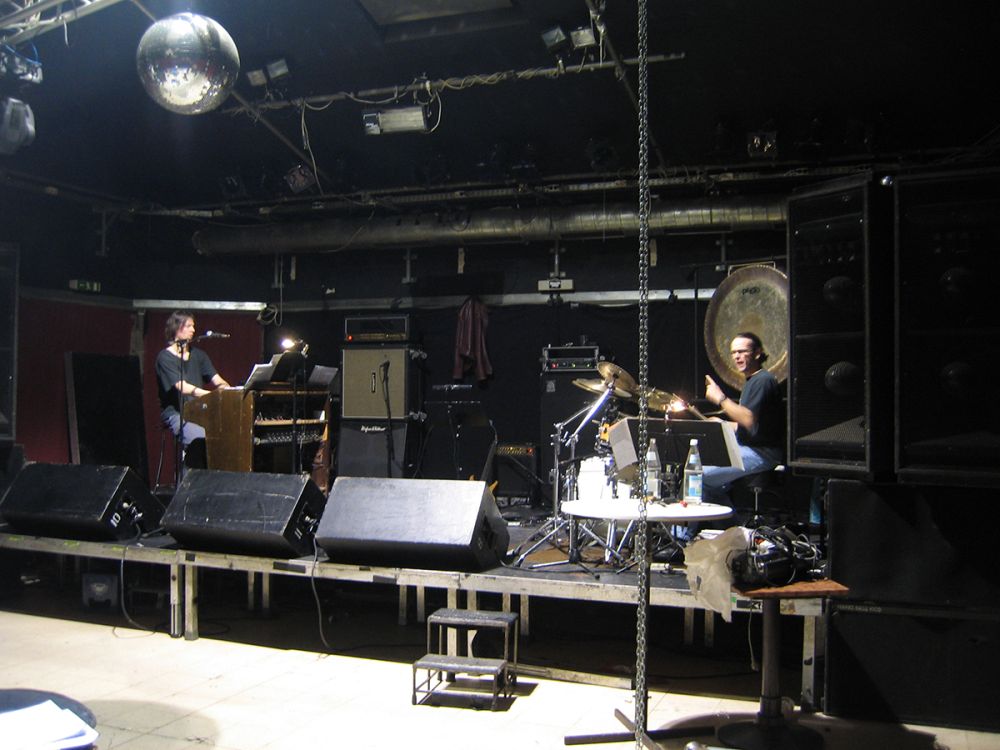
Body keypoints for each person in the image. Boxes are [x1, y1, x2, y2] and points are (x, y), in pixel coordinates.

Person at [701, 331, 784, 503]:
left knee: (700, 475)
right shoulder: (752, 381)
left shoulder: (763, 380)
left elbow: (748, 419)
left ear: (757, 353)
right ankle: (729, 519)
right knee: (705, 473)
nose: (737, 356)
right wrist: (723, 424)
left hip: (762, 453)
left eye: (742, 351)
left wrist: (720, 398)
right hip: (750, 447)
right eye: (734, 352)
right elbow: (755, 425)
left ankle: (717, 516)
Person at [155, 311, 230, 471]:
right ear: (176, 328)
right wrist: (212, 395)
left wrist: (225, 389)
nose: (193, 330)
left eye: (193, 326)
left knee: (225, 436)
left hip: (201, 412)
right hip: (177, 414)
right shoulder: (165, 357)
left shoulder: (199, 355)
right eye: (188, 326)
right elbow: (182, 387)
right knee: (200, 438)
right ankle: (188, 482)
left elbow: (218, 380)